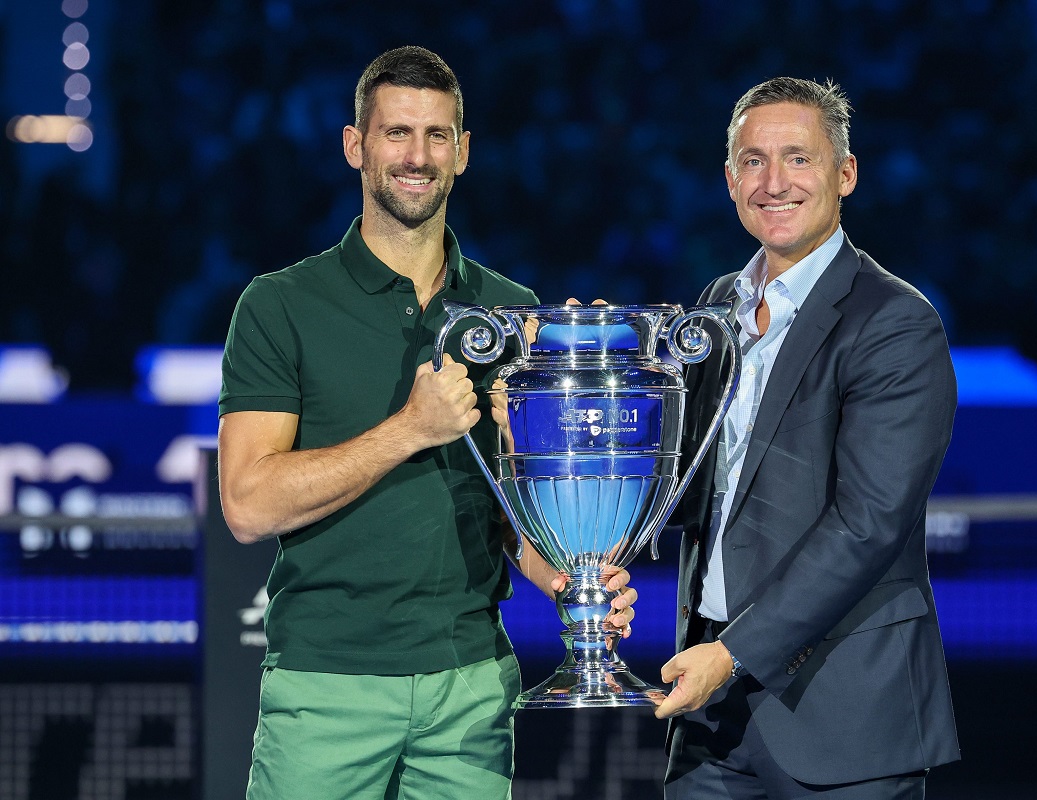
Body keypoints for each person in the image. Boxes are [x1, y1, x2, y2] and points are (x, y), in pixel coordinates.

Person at [217, 46, 636, 800]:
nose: (418, 156)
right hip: (326, 684)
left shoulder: (512, 311)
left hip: (471, 690)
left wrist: (568, 580)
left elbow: (509, 516)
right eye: (397, 133)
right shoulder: (279, 306)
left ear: (463, 152)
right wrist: (410, 428)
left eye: (437, 135)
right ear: (356, 145)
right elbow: (248, 504)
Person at [654, 77, 960, 799]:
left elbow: (868, 522)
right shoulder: (715, 308)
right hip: (710, 713)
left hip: (843, 713)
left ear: (844, 173)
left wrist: (733, 652)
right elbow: (692, 482)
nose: (774, 182)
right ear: (730, 180)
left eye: (798, 158)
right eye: (753, 161)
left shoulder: (894, 321)